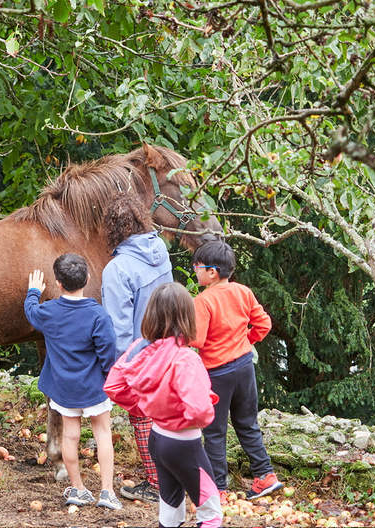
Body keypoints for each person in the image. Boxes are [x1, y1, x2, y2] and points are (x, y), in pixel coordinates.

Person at [104, 282, 222, 528]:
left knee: (170, 513)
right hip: (184, 444)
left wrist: (146, 407)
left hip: (157, 440)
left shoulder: (138, 348)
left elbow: (114, 386)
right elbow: (200, 411)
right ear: (188, 317)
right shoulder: (186, 359)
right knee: (211, 514)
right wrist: (194, 414)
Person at [24, 254, 122, 510]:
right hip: (94, 387)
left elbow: (31, 313)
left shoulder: (48, 311)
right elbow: (108, 351)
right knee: (102, 433)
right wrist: (107, 374)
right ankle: (107, 492)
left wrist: (33, 292)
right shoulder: (98, 315)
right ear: (88, 279)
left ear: (57, 283)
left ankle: (78, 489)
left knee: (70, 436)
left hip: (63, 389)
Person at [189, 240, 283, 500]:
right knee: (247, 423)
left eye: (197, 266)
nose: (194, 270)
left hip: (217, 374)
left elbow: (196, 340)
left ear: (212, 272)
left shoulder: (203, 300)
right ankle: (265, 476)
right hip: (244, 367)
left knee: (215, 432)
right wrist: (245, 341)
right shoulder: (243, 291)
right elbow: (263, 323)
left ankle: (217, 490)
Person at [101, 193, 173, 503]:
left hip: (140, 354)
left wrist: (117, 367)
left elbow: (118, 328)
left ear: (112, 228)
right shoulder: (160, 249)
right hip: (168, 345)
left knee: (142, 417)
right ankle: (173, 474)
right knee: (165, 415)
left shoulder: (117, 269)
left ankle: (157, 484)